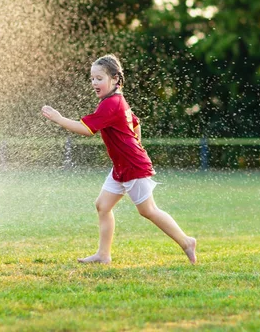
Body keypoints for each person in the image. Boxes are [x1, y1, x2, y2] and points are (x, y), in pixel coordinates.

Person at [41, 54, 196, 265]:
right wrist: (135, 146)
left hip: (132, 167)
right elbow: (136, 123)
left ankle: (187, 241)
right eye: (92, 79)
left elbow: (87, 130)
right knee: (103, 206)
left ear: (114, 79)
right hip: (122, 167)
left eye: (99, 78)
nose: (94, 83)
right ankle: (103, 255)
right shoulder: (117, 100)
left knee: (148, 210)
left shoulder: (111, 104)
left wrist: (59, 119)